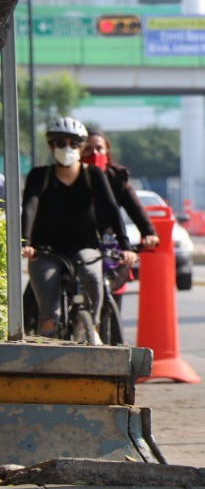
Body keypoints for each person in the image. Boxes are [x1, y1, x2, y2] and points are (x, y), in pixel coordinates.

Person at [20, 117, 136, 340]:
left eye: (74, 143)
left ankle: (92, 325)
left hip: (85, 248)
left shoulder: (93, 175)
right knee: (50, 314)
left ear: (81, 147)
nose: (67, 148)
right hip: (46, 252)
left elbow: (112, 209)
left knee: (93, 277)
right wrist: (26, 242)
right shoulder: (39, 176)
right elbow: (30, 207)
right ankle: (48, 347)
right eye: (60, 143)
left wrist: (125, 246)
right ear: (51, 146)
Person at [82, 130, 159, 310]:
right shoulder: (71, 175)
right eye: (88, 150)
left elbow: (135, 209)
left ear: (107, 152)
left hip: (109, 241)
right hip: (80, 241)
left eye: (99, 149)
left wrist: (149, 233)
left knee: (112, 295)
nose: (94, 154)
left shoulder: (116, 177)